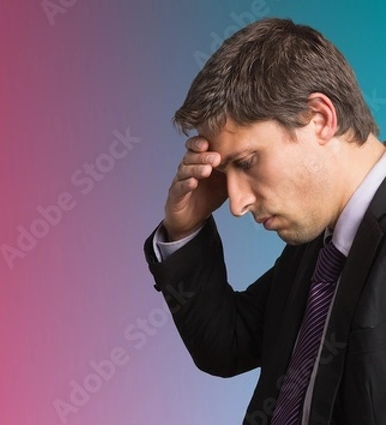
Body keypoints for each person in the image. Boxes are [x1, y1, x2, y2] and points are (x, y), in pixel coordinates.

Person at [142, 17, 386, 425]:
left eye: (248, 162)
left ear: (320, 119)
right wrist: (185, 228)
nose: (236, 203)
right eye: (225, 173)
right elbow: (229, 345)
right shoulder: (319, 245)